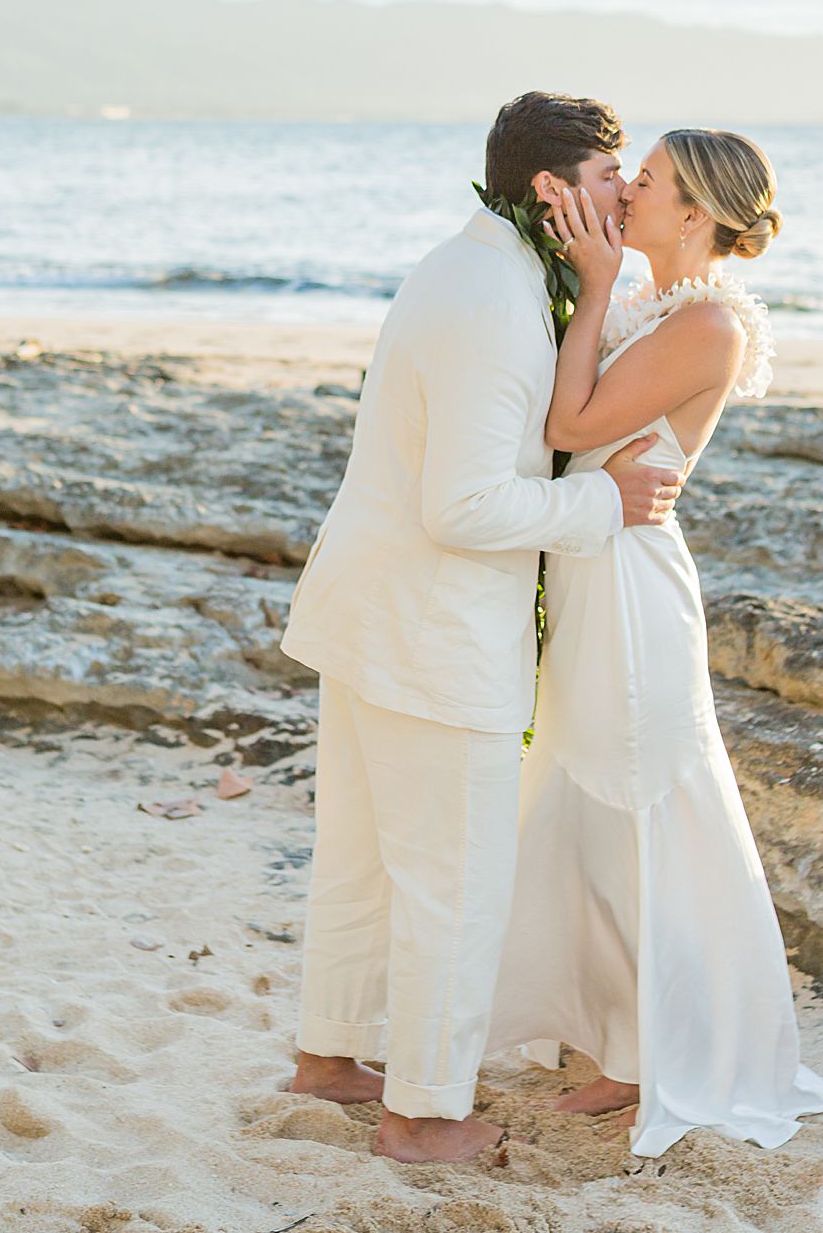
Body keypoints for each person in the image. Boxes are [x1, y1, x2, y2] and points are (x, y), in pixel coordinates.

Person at [279, 92, 686, 1165]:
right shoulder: (501, 301)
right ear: (553, 191)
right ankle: (421, 1114)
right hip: (430, 634)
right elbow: (462, 507)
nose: (626, 198)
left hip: (367, 612)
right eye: (610, 181)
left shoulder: (461, 261)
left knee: (362, 858)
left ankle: (328, 1059)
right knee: (455, 880)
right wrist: (606, 506)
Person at [486, 128, 823, 1158]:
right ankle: (627, 1050)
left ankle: (681, 1057)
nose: (628, 190)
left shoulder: (712, 325)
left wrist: (591, 280)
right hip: (592, 567)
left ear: (695, 215)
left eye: (650, 181)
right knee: (590, 813)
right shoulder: (655, 305)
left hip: (634, 584)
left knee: (649, 807)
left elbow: (570, 418)